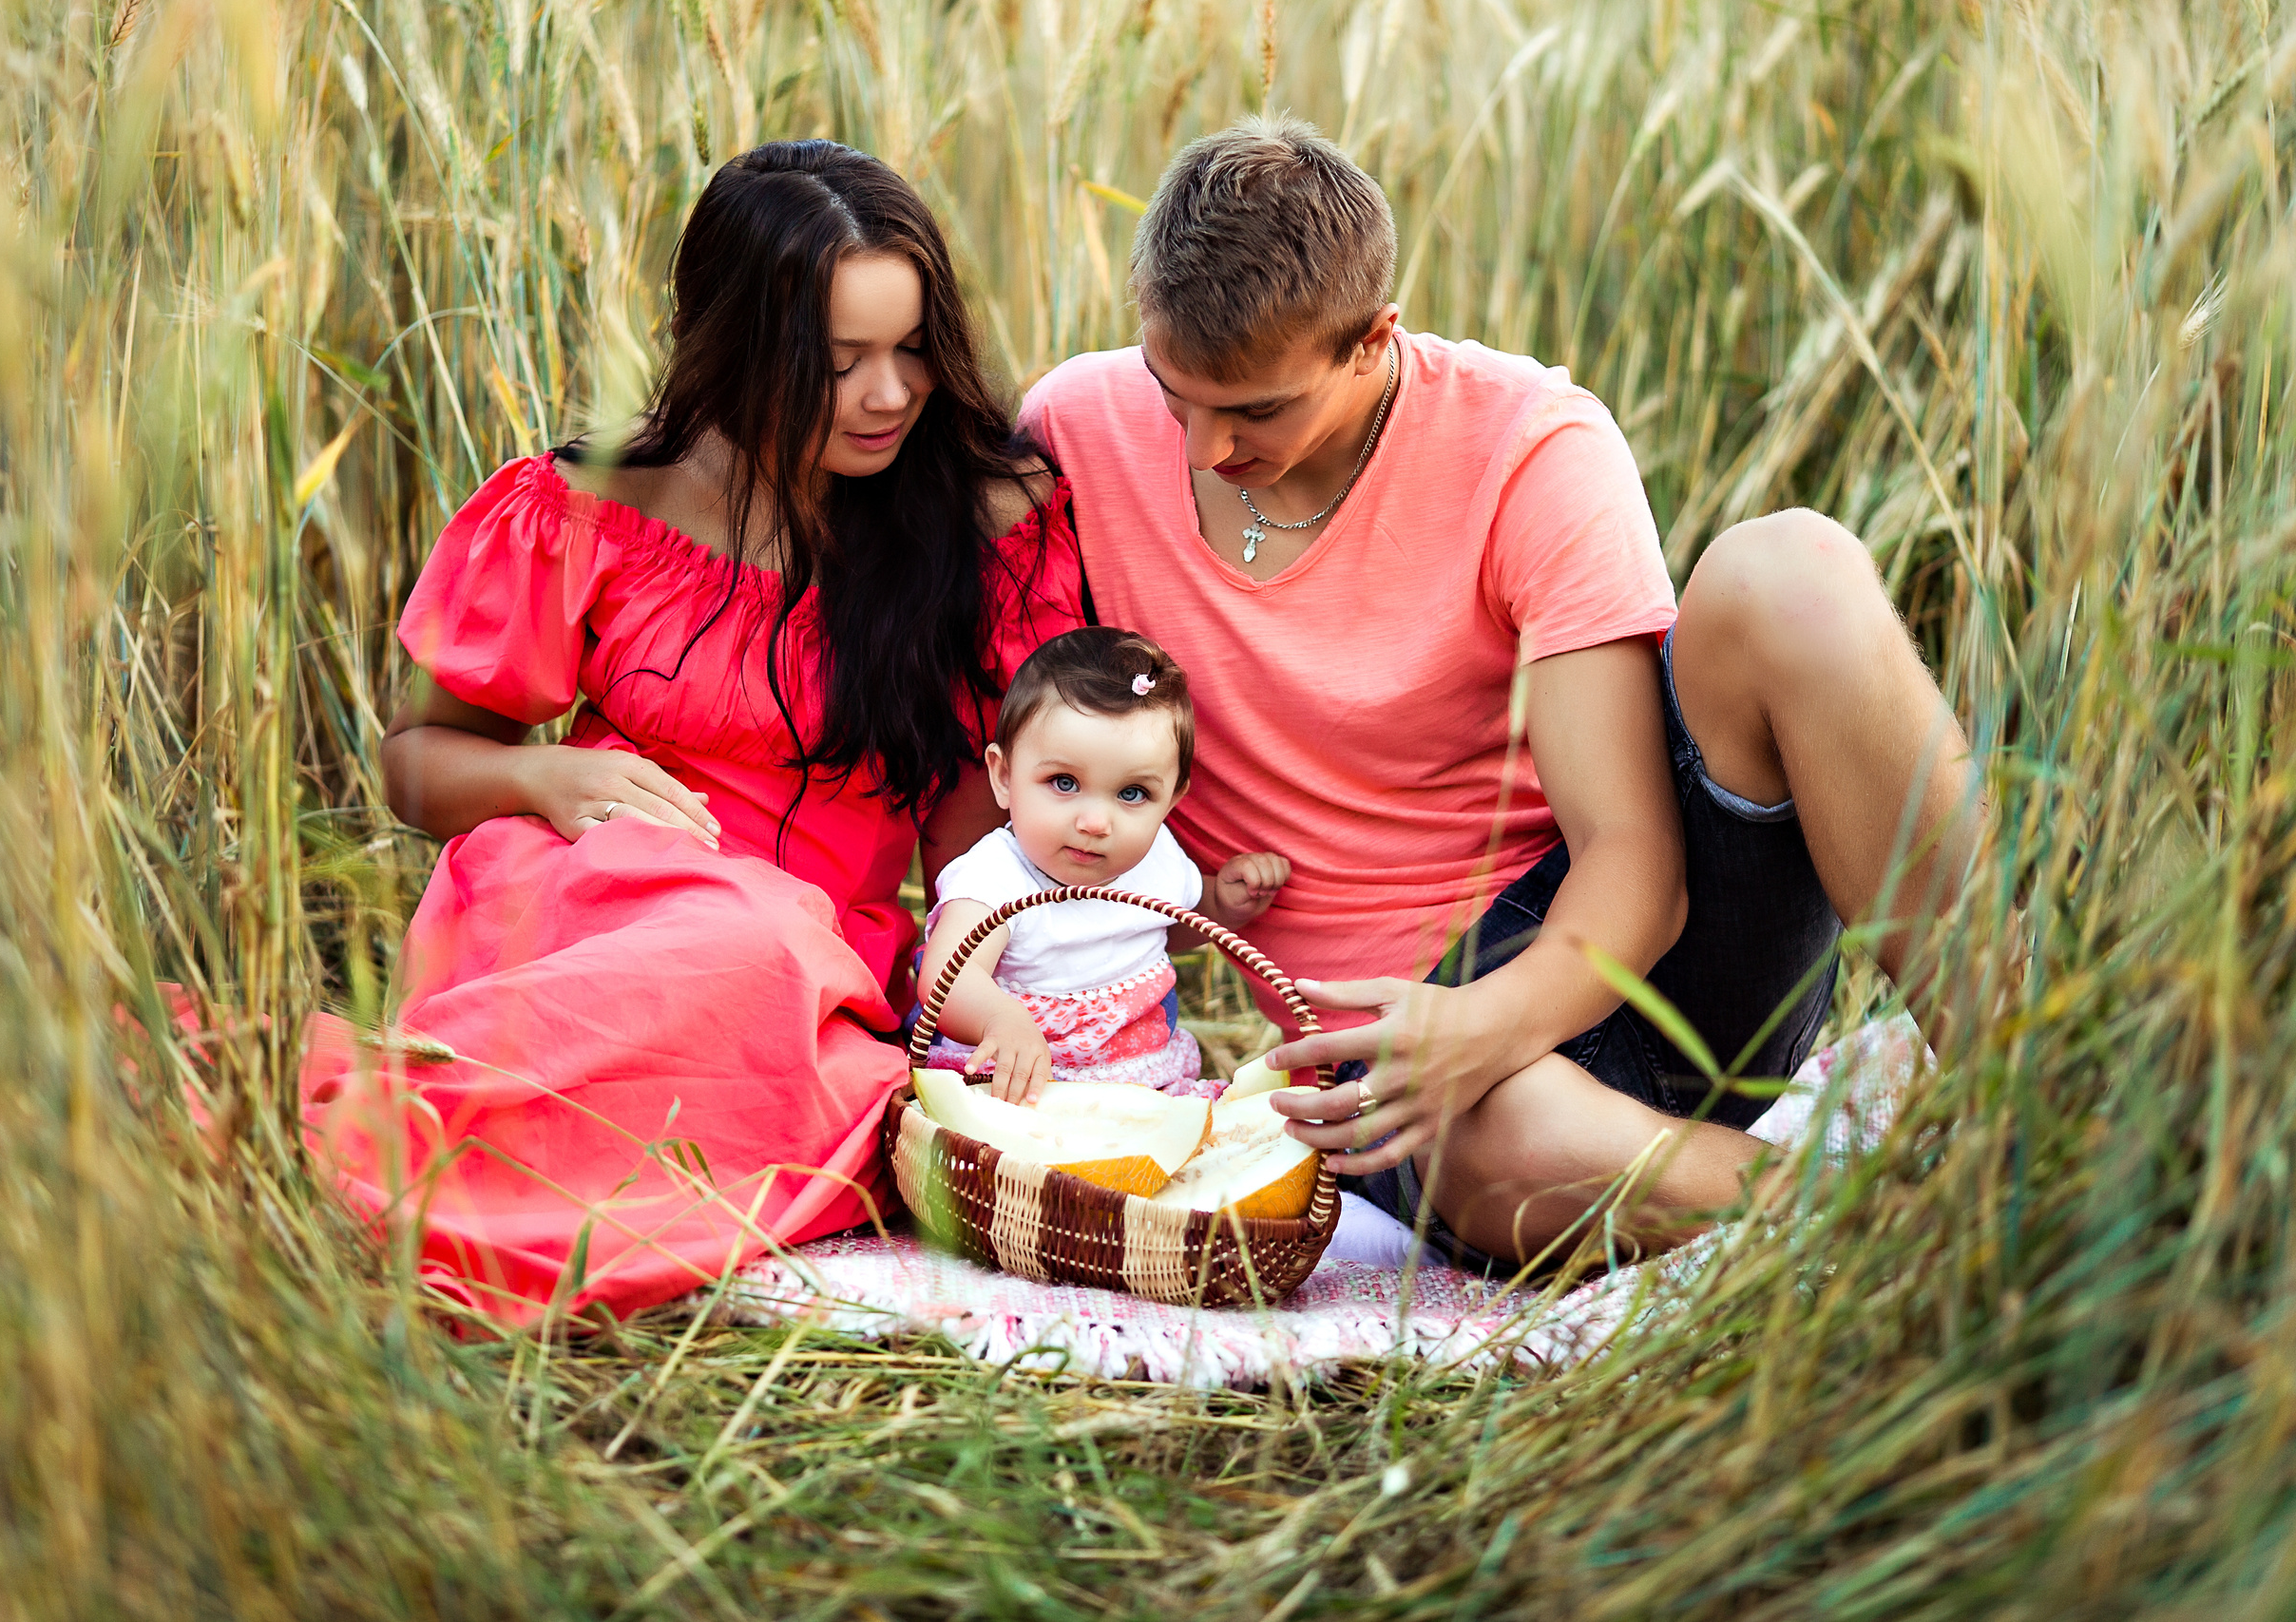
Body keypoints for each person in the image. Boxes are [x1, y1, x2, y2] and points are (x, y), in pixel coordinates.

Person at [1018, 115, 1981, 1271]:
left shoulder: (1530, 444)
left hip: (1639, 957)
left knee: (1793, 570)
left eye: (1259, 411)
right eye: (1178, 395)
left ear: (1372, 340)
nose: (1205, 449)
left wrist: (1479, 1027)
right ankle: (1882, 1214)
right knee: (1500, 1136)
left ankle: (2031, 1084)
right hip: (1414, 1055)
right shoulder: (1075, 430)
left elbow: (1634, 860)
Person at [298, 141, 1086, 1325]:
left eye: (914, 347)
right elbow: (415, 763)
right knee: (731, 942)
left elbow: (984, 829)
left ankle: (412, 1158)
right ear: (734, 348)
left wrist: (971, 990)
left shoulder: (986, 522)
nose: (889, 394)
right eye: (838, 363)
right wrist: (544, 775)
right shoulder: (594, 503)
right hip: (587, 891)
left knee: (773, 960)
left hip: (812, 956)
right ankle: (377, 1146)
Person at [917, 627, 1289, 1101]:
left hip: (1143, 1082)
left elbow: (1164, 927)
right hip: (1020, 1088)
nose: (1095, 823)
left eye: (1132, 793)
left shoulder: (1156, 858)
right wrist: (1000, 1019)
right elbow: (946, 979)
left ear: (1172, 799)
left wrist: (1223, 904)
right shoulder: (993, 879)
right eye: (1064, 782)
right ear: (1005, 776)